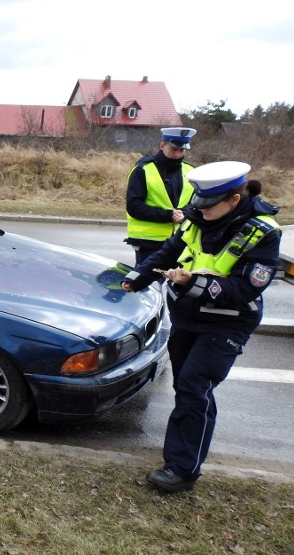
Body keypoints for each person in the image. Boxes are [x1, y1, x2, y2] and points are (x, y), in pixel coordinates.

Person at [120, 161, 281, 493]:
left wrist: (193, 282)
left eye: (209, 205)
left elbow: (245, 290)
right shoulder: (198, 216)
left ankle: (182, 469)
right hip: (187, 317)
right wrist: (136, 278)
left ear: (234, 200)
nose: (201, 211)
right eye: (199, 204)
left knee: (194, 386)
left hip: (228, 322)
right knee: (190, 388)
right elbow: (168, 252)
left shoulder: (262, 233)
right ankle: (182, 457)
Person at [125, 127, 197, 265]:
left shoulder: (191, 171)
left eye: (181, 150)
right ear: (162, 145)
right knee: (147, 285)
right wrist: (169, 215)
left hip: (180, 240)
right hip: (149, 243)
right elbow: (134, 207)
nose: (177, 155)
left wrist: (185, 214)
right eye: (174, 149)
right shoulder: (142, 170)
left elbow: (197, 204)